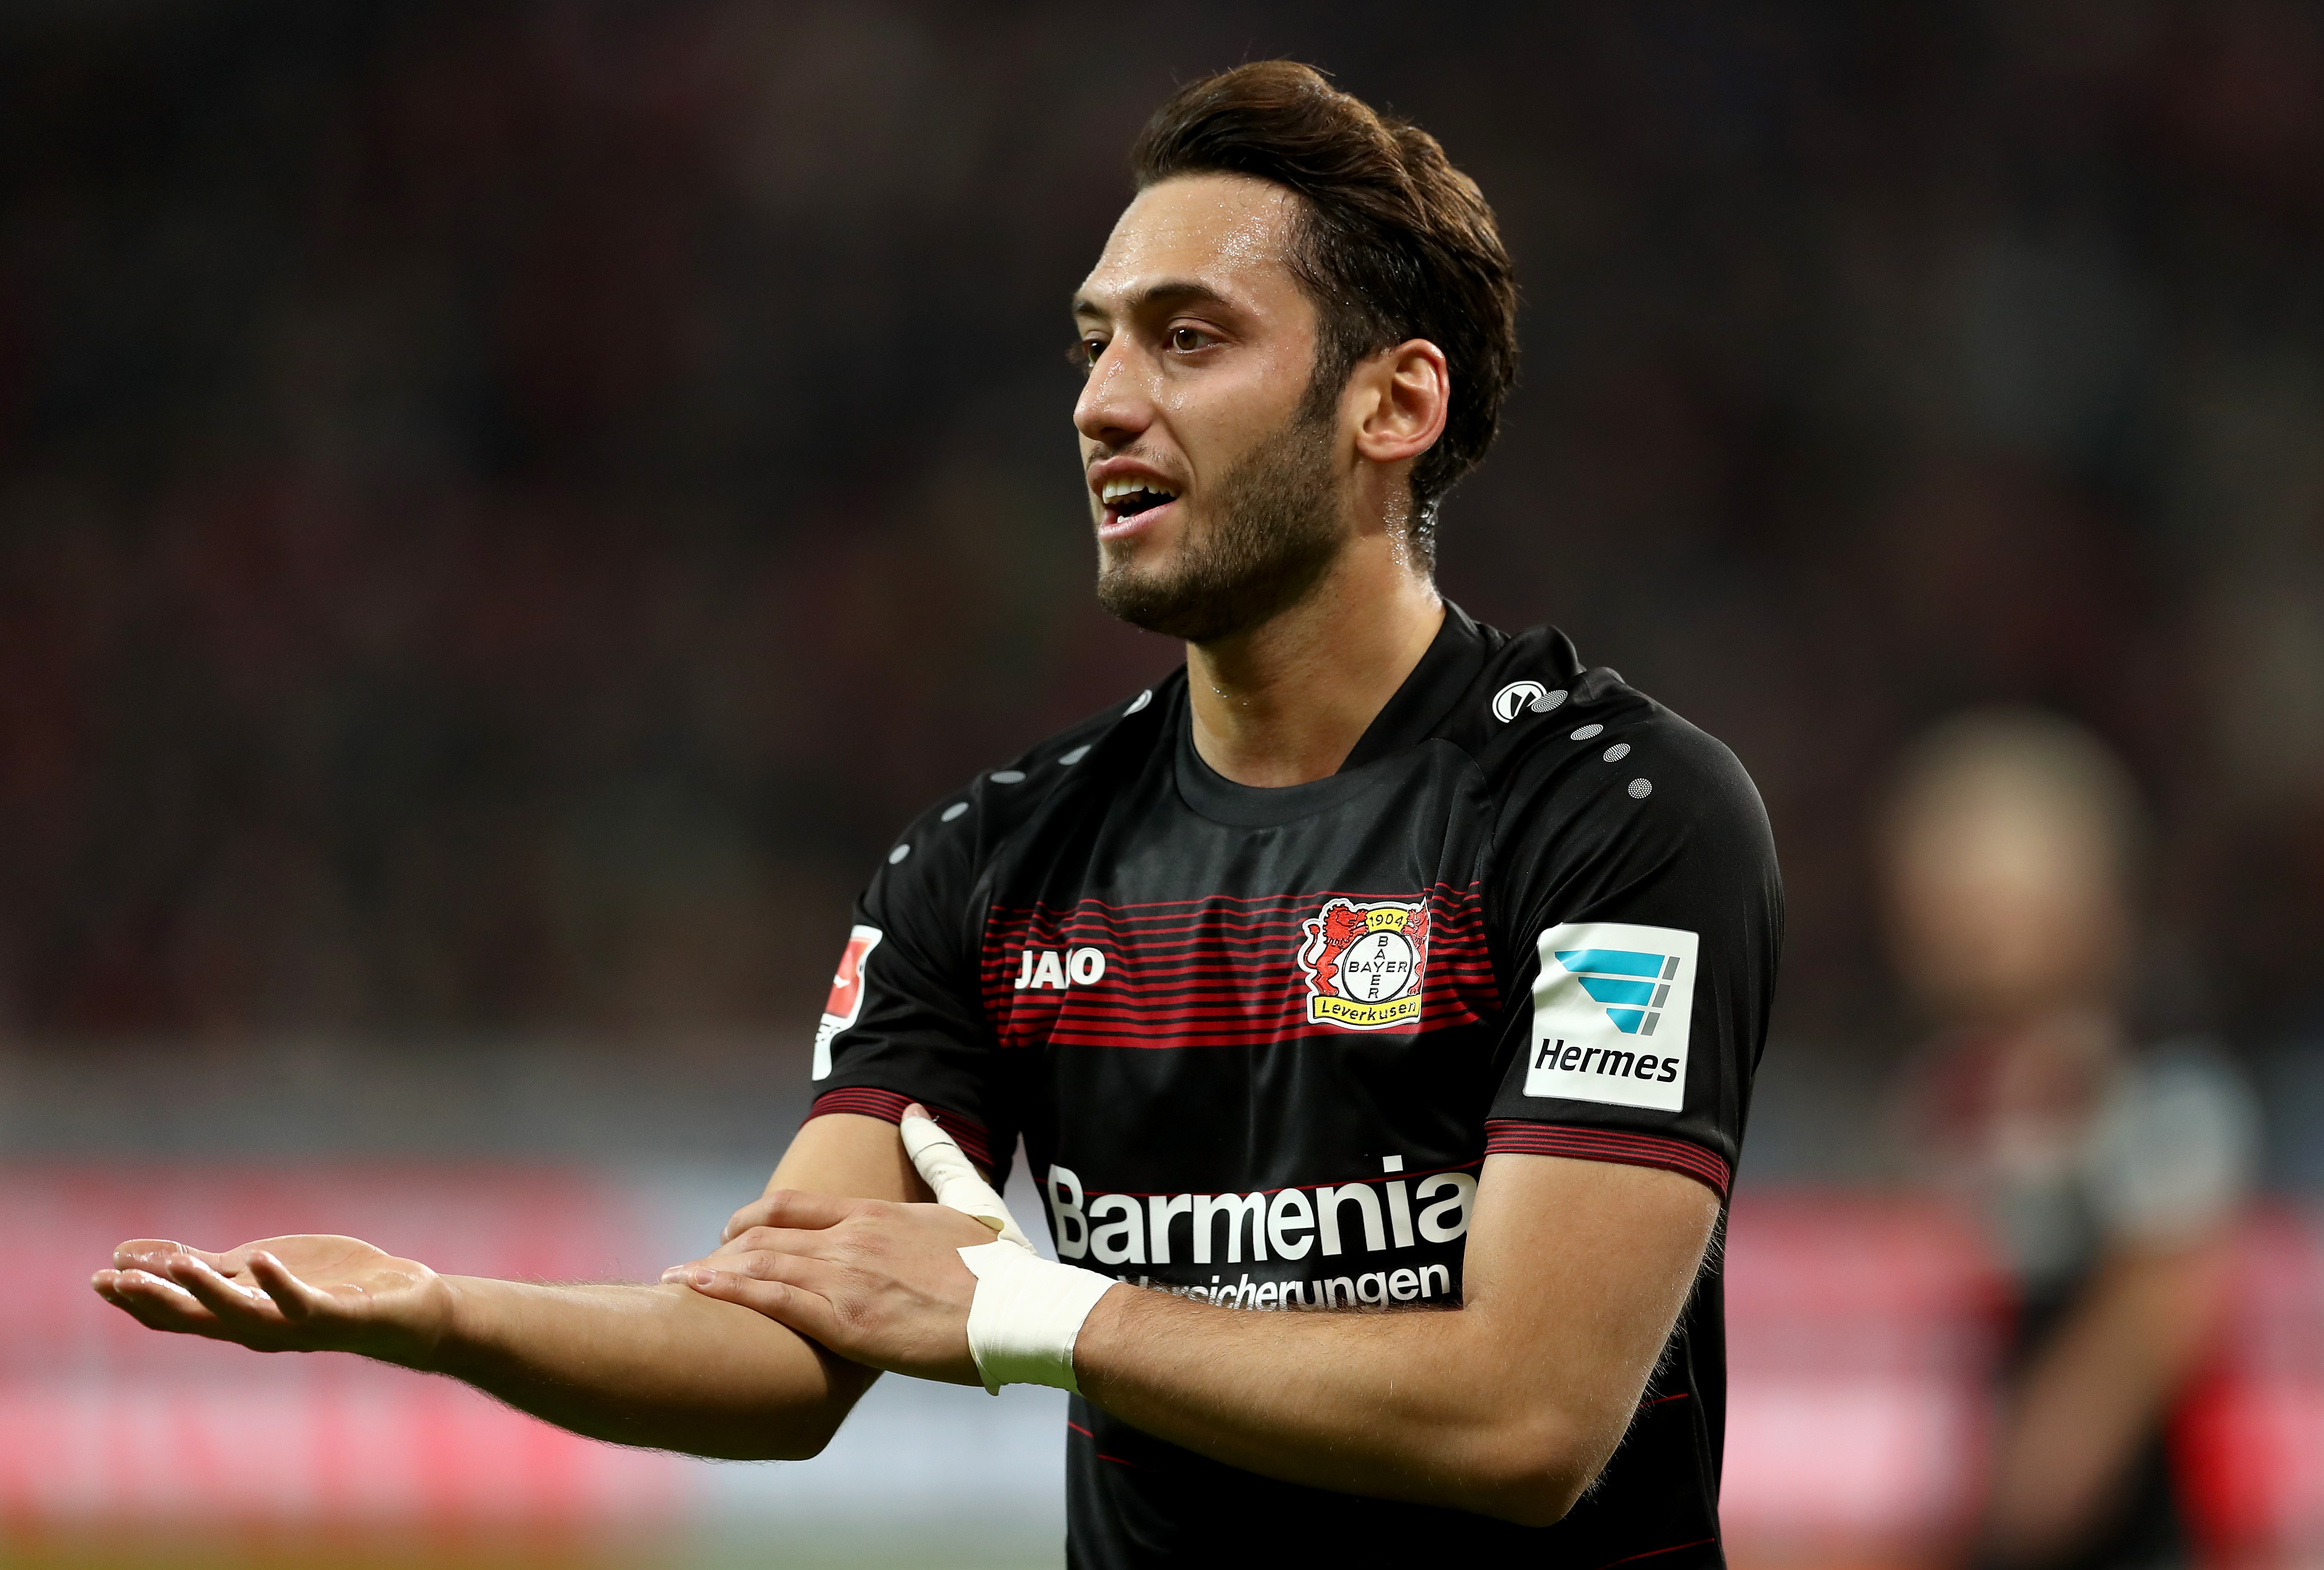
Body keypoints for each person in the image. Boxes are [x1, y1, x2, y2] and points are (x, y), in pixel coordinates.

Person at [92, 61, 1782, 1565]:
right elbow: (786, 1342)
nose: (1102, 401)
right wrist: (440, 1313)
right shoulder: (998, 862)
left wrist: (1035, 1312)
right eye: (1095, 342)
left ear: (1391, 406)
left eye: (1189, 338)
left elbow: (1524, 1421)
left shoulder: (1613, 813)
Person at [1880, 710, 2255, 1570]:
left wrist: (1995, 1504)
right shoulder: (1936, 1102)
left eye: (1995, 911)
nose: (1969, 944)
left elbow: (2134, 1344)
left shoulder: (2160, 1101)